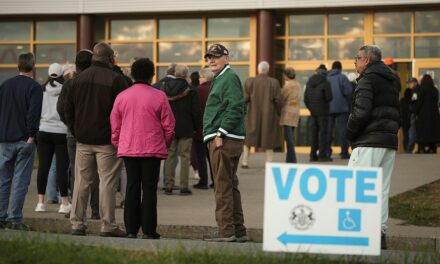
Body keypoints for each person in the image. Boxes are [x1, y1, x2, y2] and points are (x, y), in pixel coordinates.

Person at [65, 42, 129, 237]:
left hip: (83, 139)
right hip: (107, 141)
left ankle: (77, 223)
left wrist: (75, 130)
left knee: (81, 182)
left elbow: (68, 110)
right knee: (107, 182)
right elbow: (123, 111)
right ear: (109, 58)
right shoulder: (117, 80)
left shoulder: (77, 79)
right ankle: (107, 225)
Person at [111, 58, 175, 239]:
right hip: (153, 148)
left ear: (132, 74)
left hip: (129, 147)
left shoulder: (122, 96)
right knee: (149, 189)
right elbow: (169, 126)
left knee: (132, 186)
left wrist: (118, 143)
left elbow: (115, 125)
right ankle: (149, 230)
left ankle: (131, 230)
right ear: (152, 74)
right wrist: (165, 143)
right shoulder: (159, 96)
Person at [347, 45, 400, 250]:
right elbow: (398, 112)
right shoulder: (392, 80)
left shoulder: (367, 80)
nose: (355, 62)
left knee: (354, 188)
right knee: (381, 190)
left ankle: (355, 234)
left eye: (357, 58)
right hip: (388, 142)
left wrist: (349, 133)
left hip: (368, 141)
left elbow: (360, 112)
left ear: (367, 60)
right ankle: (379, 234)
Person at [202, 43, 247, 242]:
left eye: (216, 56)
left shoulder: (229, 77)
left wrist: (221, 132)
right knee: (230, 185)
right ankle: (237, 230)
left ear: (226, 58)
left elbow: (236, 106)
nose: (211, 60)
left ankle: (226, 231)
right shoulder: (222, 78)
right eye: (209, 57)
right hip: (226, 138)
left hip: (223, 139)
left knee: (222, 187)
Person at [0, 52, 43, 230]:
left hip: (4, 139)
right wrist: (31, 136)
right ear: (33, 67)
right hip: (25, 139)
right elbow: (33, 114)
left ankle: (1, 216)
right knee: (20, 180)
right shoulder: (34, 87)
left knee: (3, 179)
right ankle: (15, 218)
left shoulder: (5, 85)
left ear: (18, 66)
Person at [57, 49, 100, 220]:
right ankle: (96, 210)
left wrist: (72, 126)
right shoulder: (98, 83)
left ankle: (76, 209)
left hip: (73, 135)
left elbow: (61, 108)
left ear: (76, 65)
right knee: (96, 173)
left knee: (77, 172)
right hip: (96, 134)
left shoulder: (70, 84)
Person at [34, 63, 71, 214]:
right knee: (62, 168)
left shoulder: (41, 89)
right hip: (61, 131)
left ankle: (40, 203)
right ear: (62, 74)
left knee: (43, 167)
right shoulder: (66, 90)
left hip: (44, 130)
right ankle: (64, 203)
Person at [162, 64, 200, 195]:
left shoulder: (165, 87)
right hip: (186, 127)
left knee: (170, 156)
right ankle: (184, 187)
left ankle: (168, 185)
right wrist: (195, 127)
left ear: (175, 73)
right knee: (185, 157)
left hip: (169, 127)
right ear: (186, 74)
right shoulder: (191, 90)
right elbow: (195, 112)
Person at [242, 61, 281, 168]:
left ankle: (245, 161)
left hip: (252, 115)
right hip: (269, 115)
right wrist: (279, 113)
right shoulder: (274, 82)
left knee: (248, 139)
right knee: (269, 138)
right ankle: (269, 162)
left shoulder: (249, 81)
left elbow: (244, 99)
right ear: (267, 70)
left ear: (258, 70)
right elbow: (278, 100)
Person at [304, 64, 333, 162]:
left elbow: (306, 99)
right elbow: (329, 97)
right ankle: (322, 155)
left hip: (313, 112)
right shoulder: (325, 81)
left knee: (314, 133)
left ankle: (312, 155)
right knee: (323, 133)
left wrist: (311, 108)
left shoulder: (309, 81)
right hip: (323, 111)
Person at [193, 68, 214, 189]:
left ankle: (203, 180)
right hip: (213, 129)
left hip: (200, 128)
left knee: (200, 156)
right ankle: (215, 180)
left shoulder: (198, 91)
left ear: (205, 78)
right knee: (212, 157)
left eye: (200, 77)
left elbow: (195, 111)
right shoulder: (215, 89)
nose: (199, 79)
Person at [326, 61, 353, 159]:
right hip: (342, 108)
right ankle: (344, 152)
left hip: (328, 108)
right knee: (343, 131)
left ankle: (327, 152)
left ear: (332, 68)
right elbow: (349, 92)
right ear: (340, 68)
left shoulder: (327, 78)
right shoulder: (342, 77)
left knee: (329, 131)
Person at [413, 74, 440, 153]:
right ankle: (432, 148)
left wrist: (415, 112)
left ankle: (422, 148)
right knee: (432, 131)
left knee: (422, 131)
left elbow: (418, 103)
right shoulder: (435, 90)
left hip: (423, 114)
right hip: (434, 114)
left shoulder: (421, 89)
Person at [279, 67, 301, 163]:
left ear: (287, 75)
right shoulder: (298, 84)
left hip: (288, 113)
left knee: (289, 138)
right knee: (291, 137)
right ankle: (289, 159)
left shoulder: (288, 86)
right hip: (295, 112)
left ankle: (292, 159)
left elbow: (282, 97)